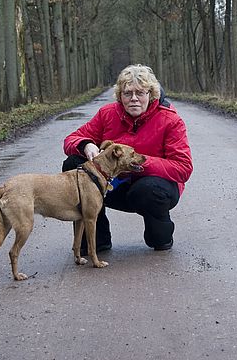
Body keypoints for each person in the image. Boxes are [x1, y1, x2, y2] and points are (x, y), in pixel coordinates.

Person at [62, 64, 193, 253]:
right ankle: (96, 239)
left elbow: (183, 168)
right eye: (127, 93)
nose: (133, 99)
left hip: (150, 189)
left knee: (148, 189)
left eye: (140, 93)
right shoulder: (107, 113)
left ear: (151, 94)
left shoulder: (170, 121)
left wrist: (136, 162)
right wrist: (86, 145)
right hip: (112, 186)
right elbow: (71, 139)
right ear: (120, 96)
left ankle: (160, 235)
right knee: (74, 164)